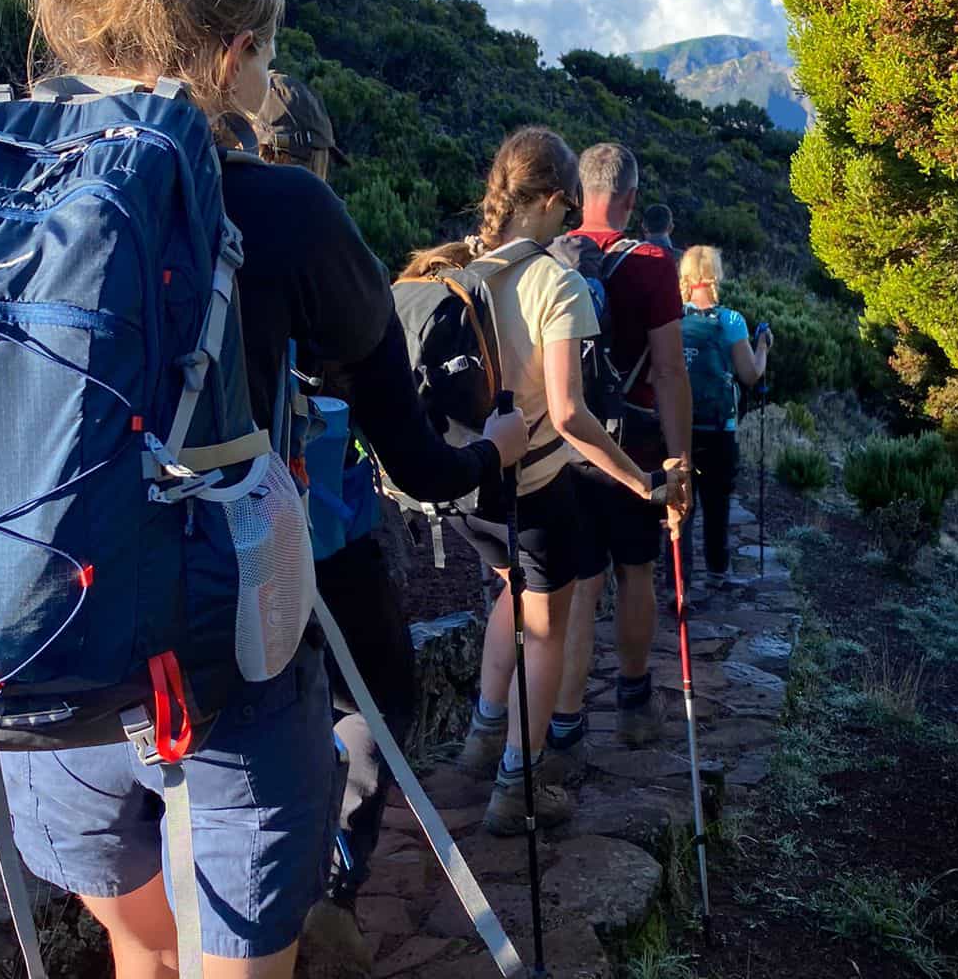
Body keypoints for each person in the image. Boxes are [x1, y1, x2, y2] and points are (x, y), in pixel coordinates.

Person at [0, 0, 529, 979]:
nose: (268, 82)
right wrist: (493, 452)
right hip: (218, 682)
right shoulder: (283, 209)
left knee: (145, 958)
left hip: (31, 661)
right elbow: (412, 457)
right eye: (265, 58)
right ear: (230, 56)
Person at [253, 74, 526, 974]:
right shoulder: (313, 240)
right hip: (319, 548)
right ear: (314, 161)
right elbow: (418, 465)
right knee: (373, 705)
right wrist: (495, 452)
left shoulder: (152, 219)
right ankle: (330, 892)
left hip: (169, 550)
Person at [419, 127, 686, 836]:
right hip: (533, 488)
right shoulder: (554, 282)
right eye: (569, 211)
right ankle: (520, 783)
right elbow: (569, 414)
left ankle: (481, 738)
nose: (572, 222)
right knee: (546, 629)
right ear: (553, 201)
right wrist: (638, 481)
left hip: (468, 489)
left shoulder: (453, 264)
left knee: (511, 593)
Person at [551, 145, 692, 772]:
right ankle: (634, 705)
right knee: (637, 571)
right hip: (634, 449)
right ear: (632, 199)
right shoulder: (655, 263)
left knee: (579, 583)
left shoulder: (548, 259)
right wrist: (680, 459)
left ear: (581, 192)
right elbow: (667, 369)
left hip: (565, 446)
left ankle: (563, 724)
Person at [679, 245, 772, 586]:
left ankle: (679, 579)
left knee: (680, 506)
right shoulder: (731, 321)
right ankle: (718, 572)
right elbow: (750, 375)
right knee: (716, 505)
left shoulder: (672, 319)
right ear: (716, 275)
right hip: (719, 428)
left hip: (677, 426)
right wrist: (763, 345)